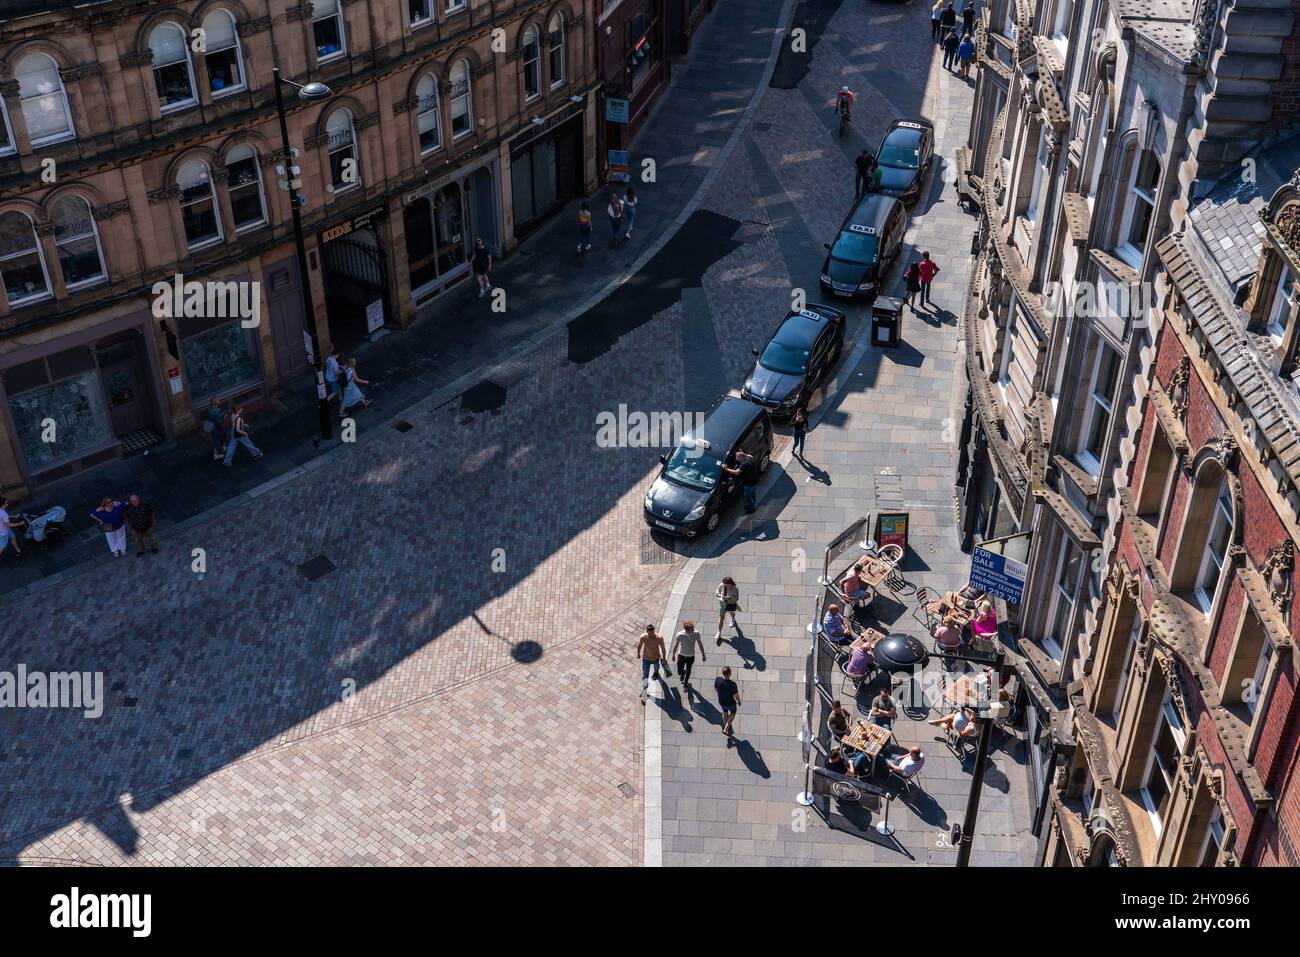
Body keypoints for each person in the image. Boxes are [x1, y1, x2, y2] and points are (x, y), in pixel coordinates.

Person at [670, 620, 706, 688]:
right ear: (685, 629)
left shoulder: (696, 633)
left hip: (691, 656)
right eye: (691, 629)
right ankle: (683, 672)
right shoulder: (679, 634)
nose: (693, 630)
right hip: (681, 655)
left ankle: (685, 683)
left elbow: (700, 644)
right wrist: (673, 655)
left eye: (693, 628)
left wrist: (703, 655)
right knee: (679, 672)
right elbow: (676, 645)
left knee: (689, 670)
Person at [637, 624, 667, 702]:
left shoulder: (659, 638)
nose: (651, 635)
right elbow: (639, 645)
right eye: (650, 634)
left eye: (653, 633)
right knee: (645, 676)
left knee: (656, 668)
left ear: (654, 631)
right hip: (646, 659)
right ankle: (644, 691)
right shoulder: (643, 637)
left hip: (656, 658)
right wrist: (638, 653)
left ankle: (656, 673)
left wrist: (664, 658)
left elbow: (663, 648)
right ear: (647, 632)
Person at [715, 666, 741, 736]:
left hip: (722, 701)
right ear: (729, 674)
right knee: (733, 713)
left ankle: (726, 725)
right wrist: (739, 701)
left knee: (725, 713)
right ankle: (726, 728)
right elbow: (736, 695)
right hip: (730, 703)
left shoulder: (717, 679)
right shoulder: (733, 684)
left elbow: (716, 689)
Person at [715, 576, 740, 644]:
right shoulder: (722, 585)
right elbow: (716, 593)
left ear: (731, 583)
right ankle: (719, 632)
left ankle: (733, 619)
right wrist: (722, 596)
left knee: (732, 614)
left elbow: (736, 599)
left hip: (730, 605)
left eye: (728, 585)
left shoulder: (735, 589)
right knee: (721, 618)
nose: (727, 587)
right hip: (722, 605)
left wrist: (730, 598)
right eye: (725, 585)